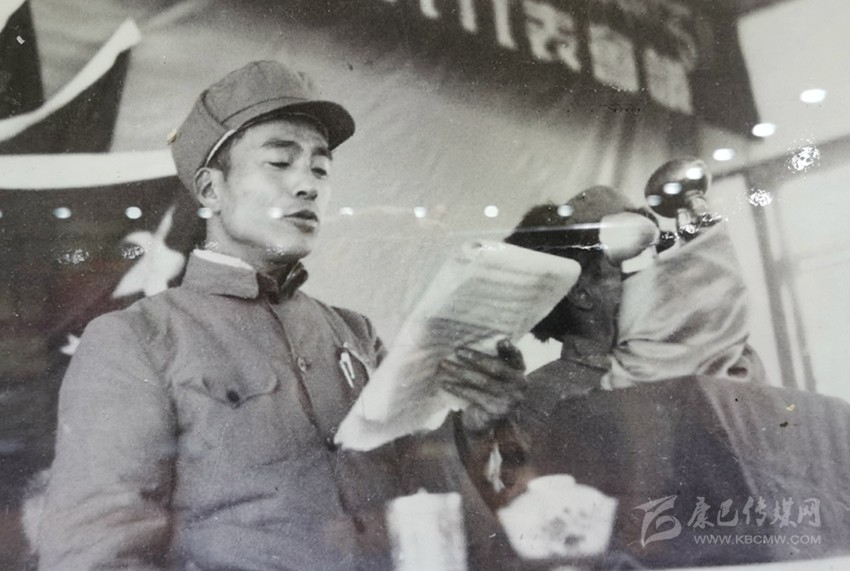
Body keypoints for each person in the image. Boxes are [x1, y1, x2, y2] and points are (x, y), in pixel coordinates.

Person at [37, 60, 525, 570]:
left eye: (320, 168)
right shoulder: (138, 338)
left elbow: (426, 502)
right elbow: (94, 554)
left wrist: (478, 425)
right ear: (210, 190)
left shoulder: (355, 334)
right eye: (280, 162)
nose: (307, 185)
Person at [503, 184, 765, 436]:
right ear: (581, 292)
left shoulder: (693, 361)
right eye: (631, 259)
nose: (654, 272)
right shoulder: (537, 399)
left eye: (653, 255)